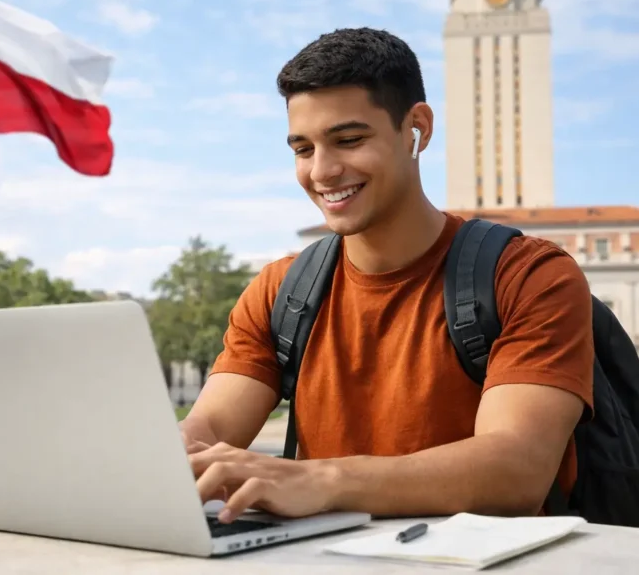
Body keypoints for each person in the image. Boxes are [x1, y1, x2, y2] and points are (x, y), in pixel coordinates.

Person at [180, 27, 595, 526]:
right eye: (303, 149)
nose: (322, 171)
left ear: (416, 128)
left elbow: (516, 471)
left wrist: (318, 480)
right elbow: (210, 424)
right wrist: (164, 458)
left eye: (348, 140)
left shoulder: (529, 276)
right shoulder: (279, 290)